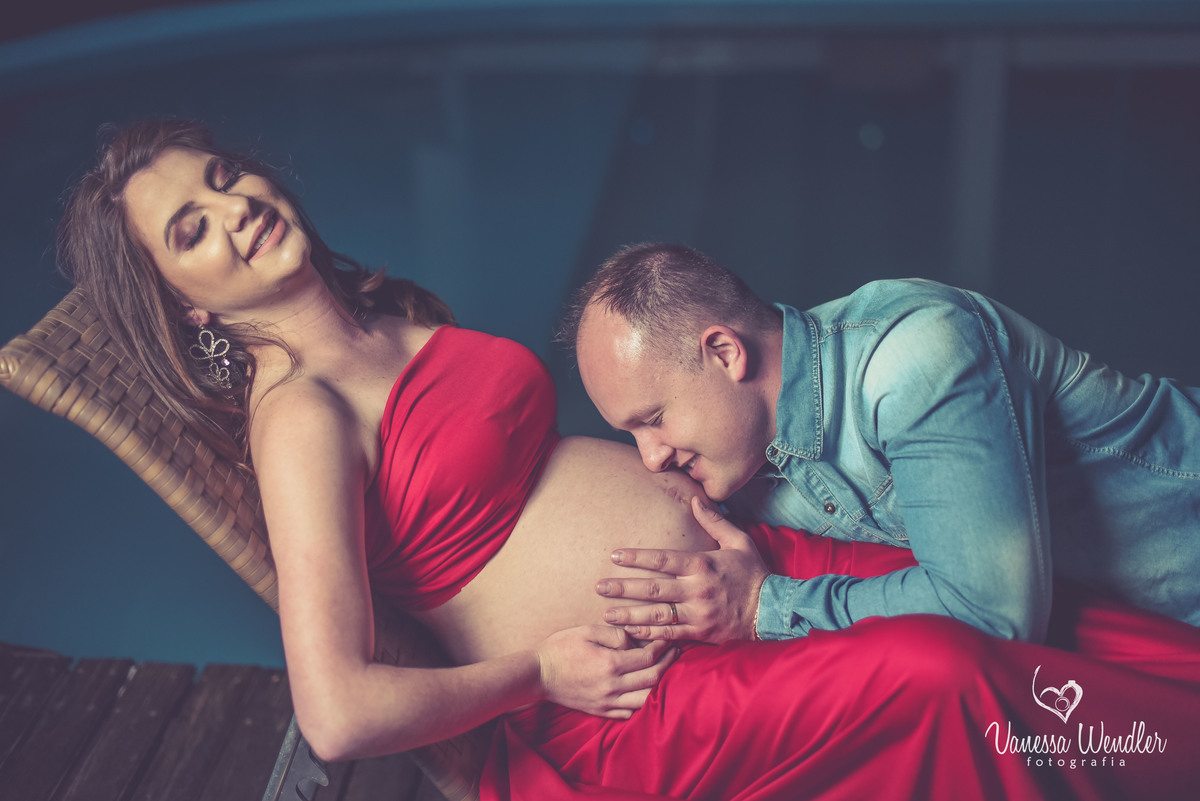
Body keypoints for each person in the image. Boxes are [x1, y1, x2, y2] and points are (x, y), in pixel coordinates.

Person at [54, 120, 1200, 801]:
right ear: (183, 303)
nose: (233, 210)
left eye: (222, 178)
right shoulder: (300, 415)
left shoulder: (387, 319)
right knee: (943, 671)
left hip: (734, 580)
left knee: (1065, 625)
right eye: (190, 230)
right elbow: (339, 712)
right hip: (640, 695)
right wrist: (539, 676)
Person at [567, 242, 1200, 646]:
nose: (651, 457)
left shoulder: (913, 355)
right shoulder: (738, 462)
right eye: (631, 435)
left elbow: (993, 613)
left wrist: (766, 605)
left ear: (726, 353)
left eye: (654, 419)